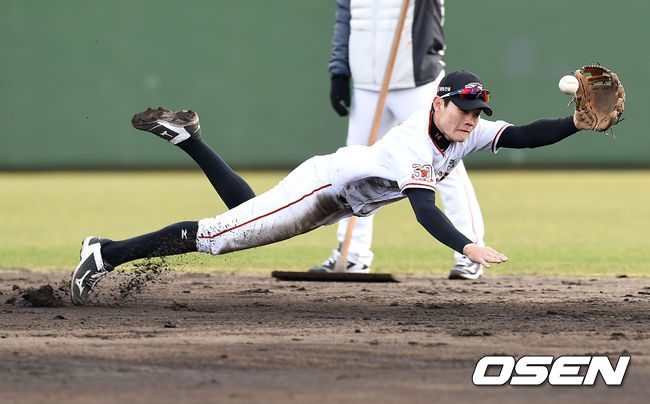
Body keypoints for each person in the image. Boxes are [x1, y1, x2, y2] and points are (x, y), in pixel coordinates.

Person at [71, 70, 591, 306]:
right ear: (439, 103)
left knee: (248, 211)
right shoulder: (415, 143)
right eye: (464, 108)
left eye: (478, 111)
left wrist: (576, 122)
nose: (472, 119)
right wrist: (466, 245)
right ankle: (104, 254)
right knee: (218, 235)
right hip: (323, 189)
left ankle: (190, 139)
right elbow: (425, 209)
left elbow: (526, 135)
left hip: (338, 197)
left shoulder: (464, 130)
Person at [318, 0, 486, 279]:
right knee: (354, 169)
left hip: (416, 81)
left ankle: (470, 252)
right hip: (366, 84)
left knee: (447, 168)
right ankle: (352, 255)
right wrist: (339, 70)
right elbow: (346, 19)